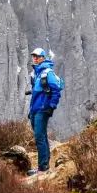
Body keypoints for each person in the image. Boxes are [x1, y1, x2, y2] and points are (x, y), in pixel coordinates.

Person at [26, 47, 63, 175]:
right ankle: (45, 164)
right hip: (35, 109)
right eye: (33, 56)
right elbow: (37, 93)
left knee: (39, 137)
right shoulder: (36, 74)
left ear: (43, 57)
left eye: (37, 56)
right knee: (41, 136)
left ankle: (42, 168)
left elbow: (56, 90)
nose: (35, 58)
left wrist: (51, 106)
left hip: (42, 109)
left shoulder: (47, 72)